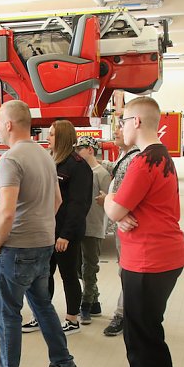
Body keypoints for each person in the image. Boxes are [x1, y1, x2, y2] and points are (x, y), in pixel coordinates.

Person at [0, 100, 80, 367]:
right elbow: (57, 201)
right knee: (43, 305)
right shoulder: (45, 156)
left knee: (8, 314)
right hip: (43, 244)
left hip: (16, 248)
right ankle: (63, 364)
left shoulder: (11, 159)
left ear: (9, 124)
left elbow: (6, 212)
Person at [103, 96, 184, 367]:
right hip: (154, 257)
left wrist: (112, 204)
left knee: (146, 337)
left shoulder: (144, 162)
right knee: (136, 333)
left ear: (137, 122)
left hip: (150, 260)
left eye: (123, 120)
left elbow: (113, 208)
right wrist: (121, 212)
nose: (120, 127)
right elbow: (127, 210)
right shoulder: (160, 157)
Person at [21, 120, 91, 335]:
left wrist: (65, 235)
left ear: (61, 137)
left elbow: (79, 205)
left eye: (51, 134)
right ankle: (40, 315)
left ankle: (72, 320)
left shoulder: (78, 166)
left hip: (64, 234)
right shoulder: (51, 161)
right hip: (46, 231)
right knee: (43, 274)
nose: (48, 137)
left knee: (68, 274)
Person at [96, 120, 140, 337]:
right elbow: (117, 171)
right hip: (121, 222)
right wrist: (96, 162)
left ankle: (123, 314)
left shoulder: (136, 158)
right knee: (125, 270)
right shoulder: (126, 156)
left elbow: (126, 196)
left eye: (122, 127)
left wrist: (108, 202)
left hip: (127, 224)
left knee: (127, 271)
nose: (116, 131)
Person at [75, 135, 112, 324]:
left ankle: (86, 306)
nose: (76, 153)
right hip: (80, 225)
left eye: (79, 149)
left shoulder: (101, 174)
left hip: (94, 226)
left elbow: (108, 202)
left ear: (90, 150)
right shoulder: (81, 172)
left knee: (89, 269)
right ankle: (95, 301)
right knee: (80, 269)